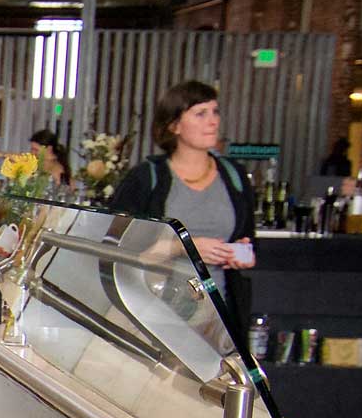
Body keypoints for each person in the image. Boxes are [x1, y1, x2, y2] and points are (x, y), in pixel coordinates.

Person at [109, 79, 256, 291]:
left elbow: (249, 239)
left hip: (217, 309)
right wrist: (181, 247)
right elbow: (115, 248)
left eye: (215, 112)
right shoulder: (146, 178)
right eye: (201, 114)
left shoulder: (235, 175)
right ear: (174, 125)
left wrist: (243, 252)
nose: (213, 121)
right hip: (153, 307)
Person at [0, 128, 70, 186]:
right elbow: (18, 157)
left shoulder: (56, 167)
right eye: (32, 149)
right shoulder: (37, 161)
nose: (32, 152)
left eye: (36, 149)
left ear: (49, 148)